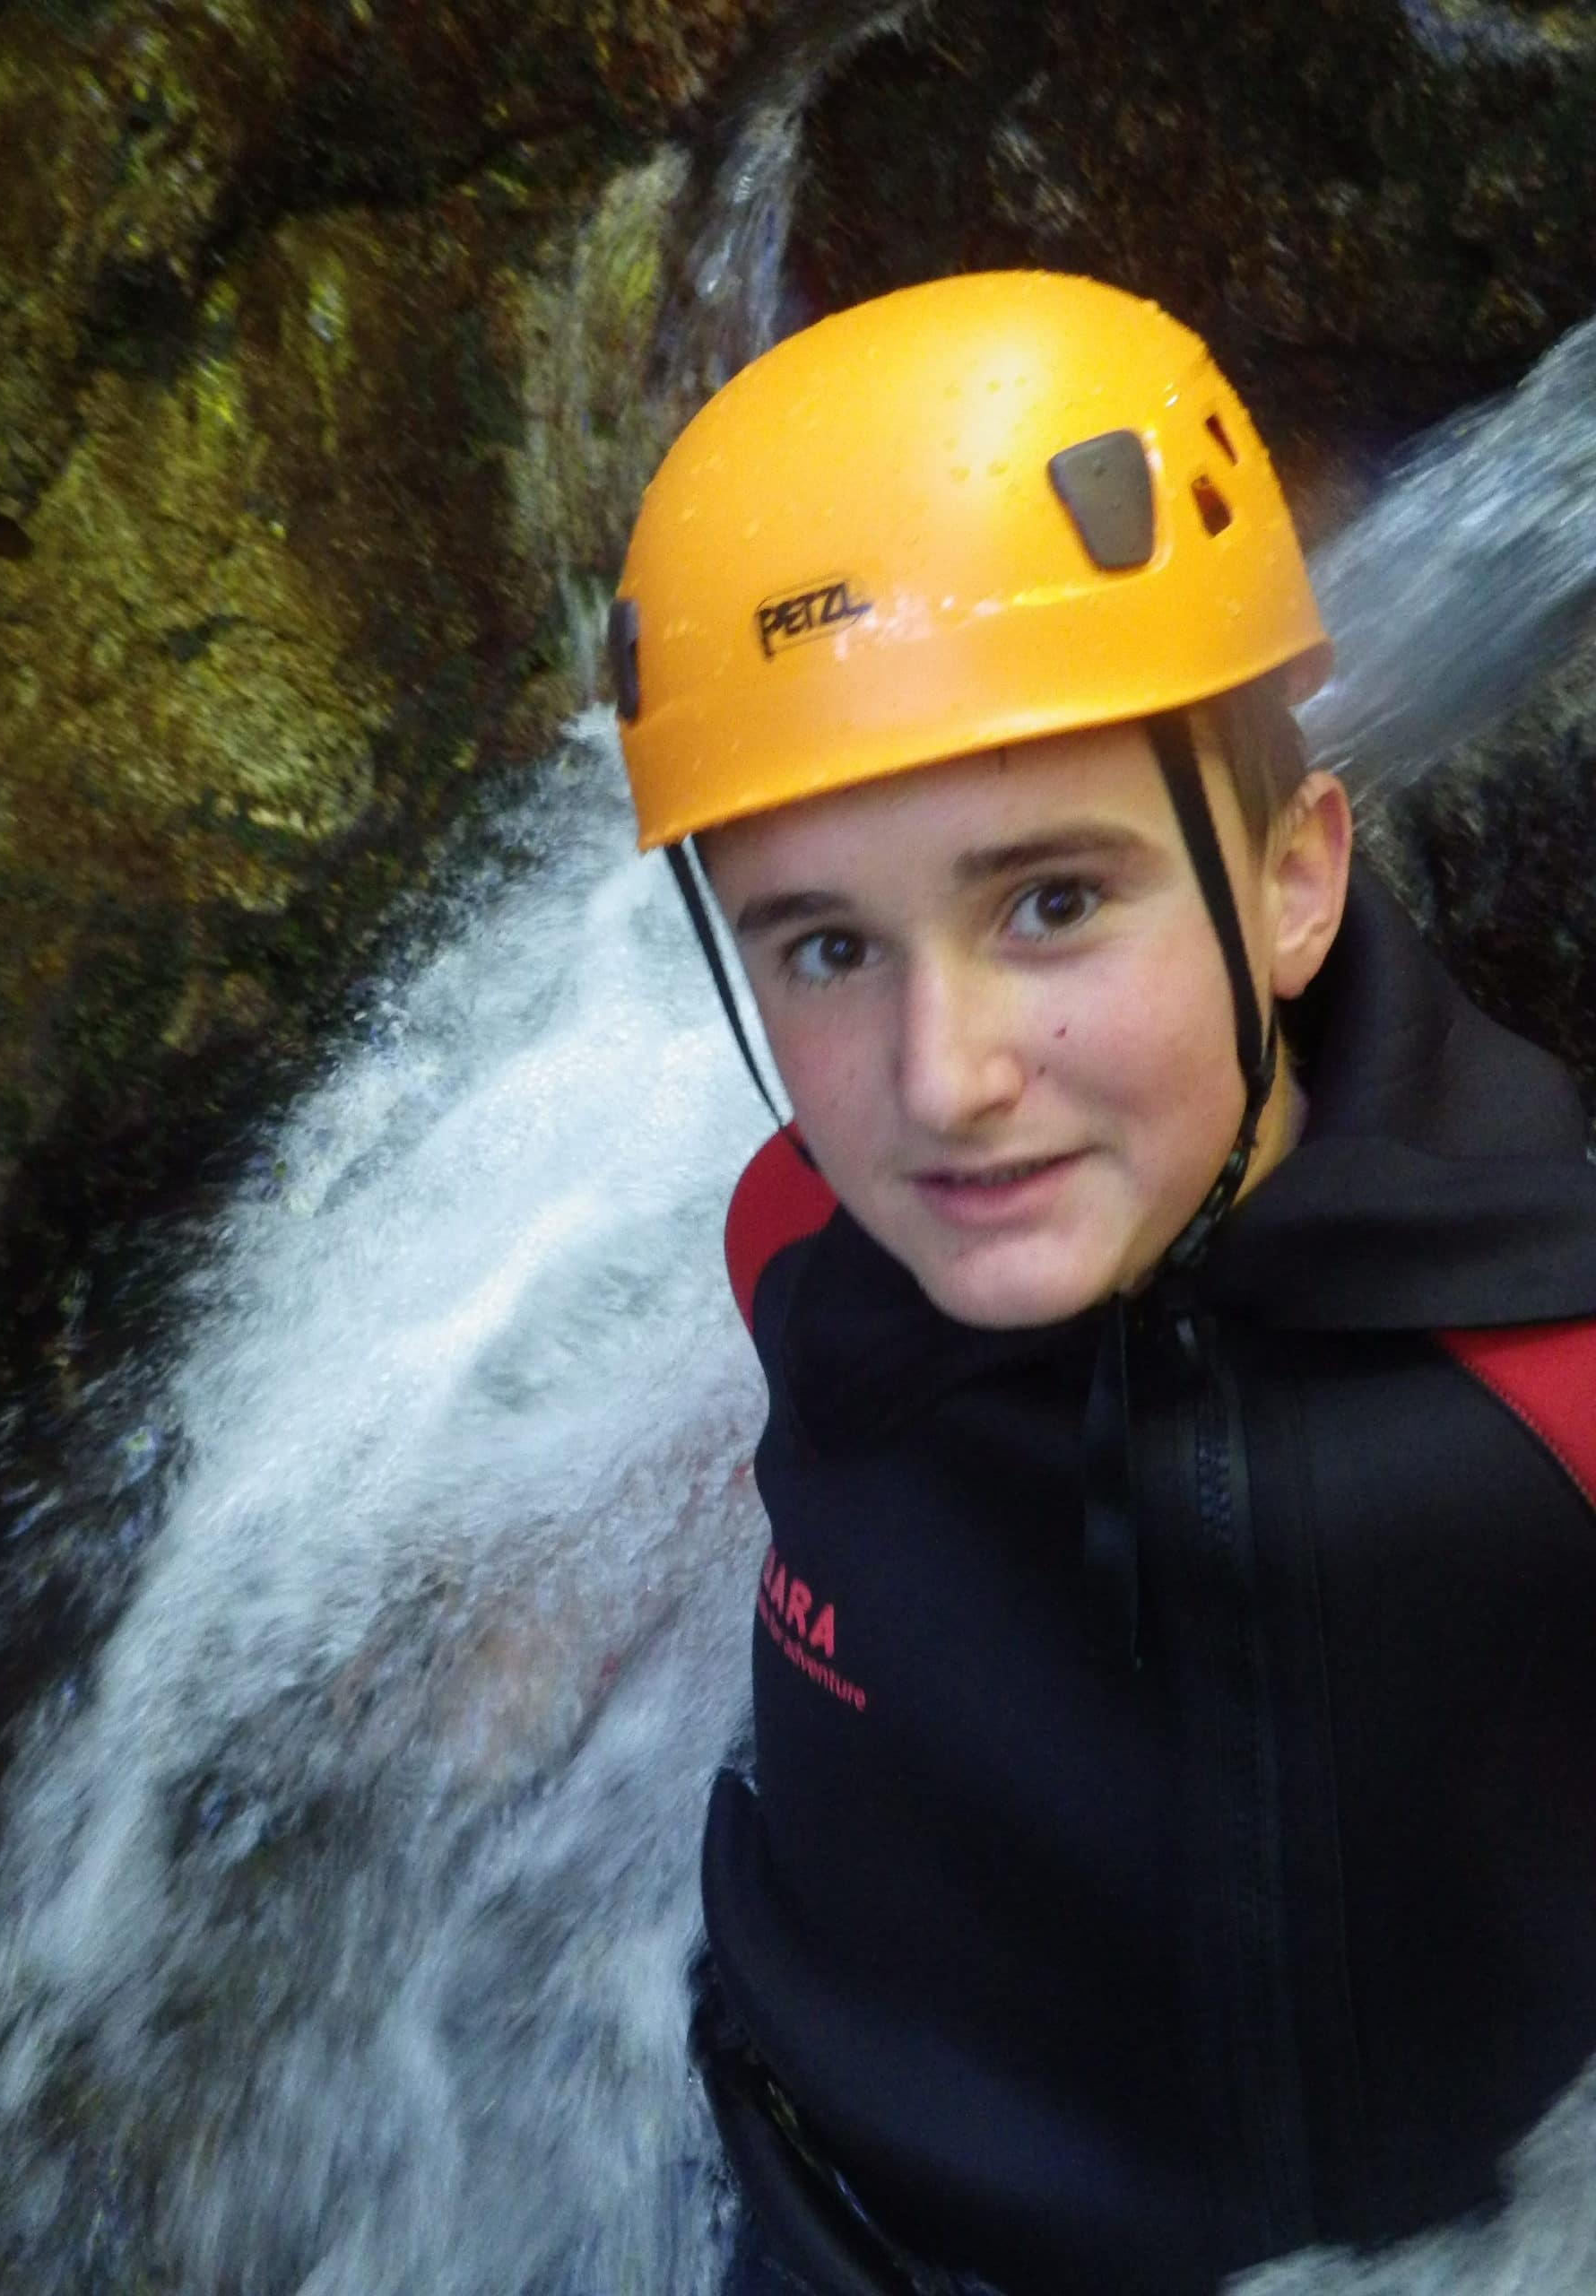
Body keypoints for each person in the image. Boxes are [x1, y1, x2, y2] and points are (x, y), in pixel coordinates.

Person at [606, 272, 1596, 2295]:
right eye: (826, 948)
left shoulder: (1550, 1383)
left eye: (1051, 901)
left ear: (1295, 880)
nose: (942, 1081)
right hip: (785, 2207)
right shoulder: (797, 1236)